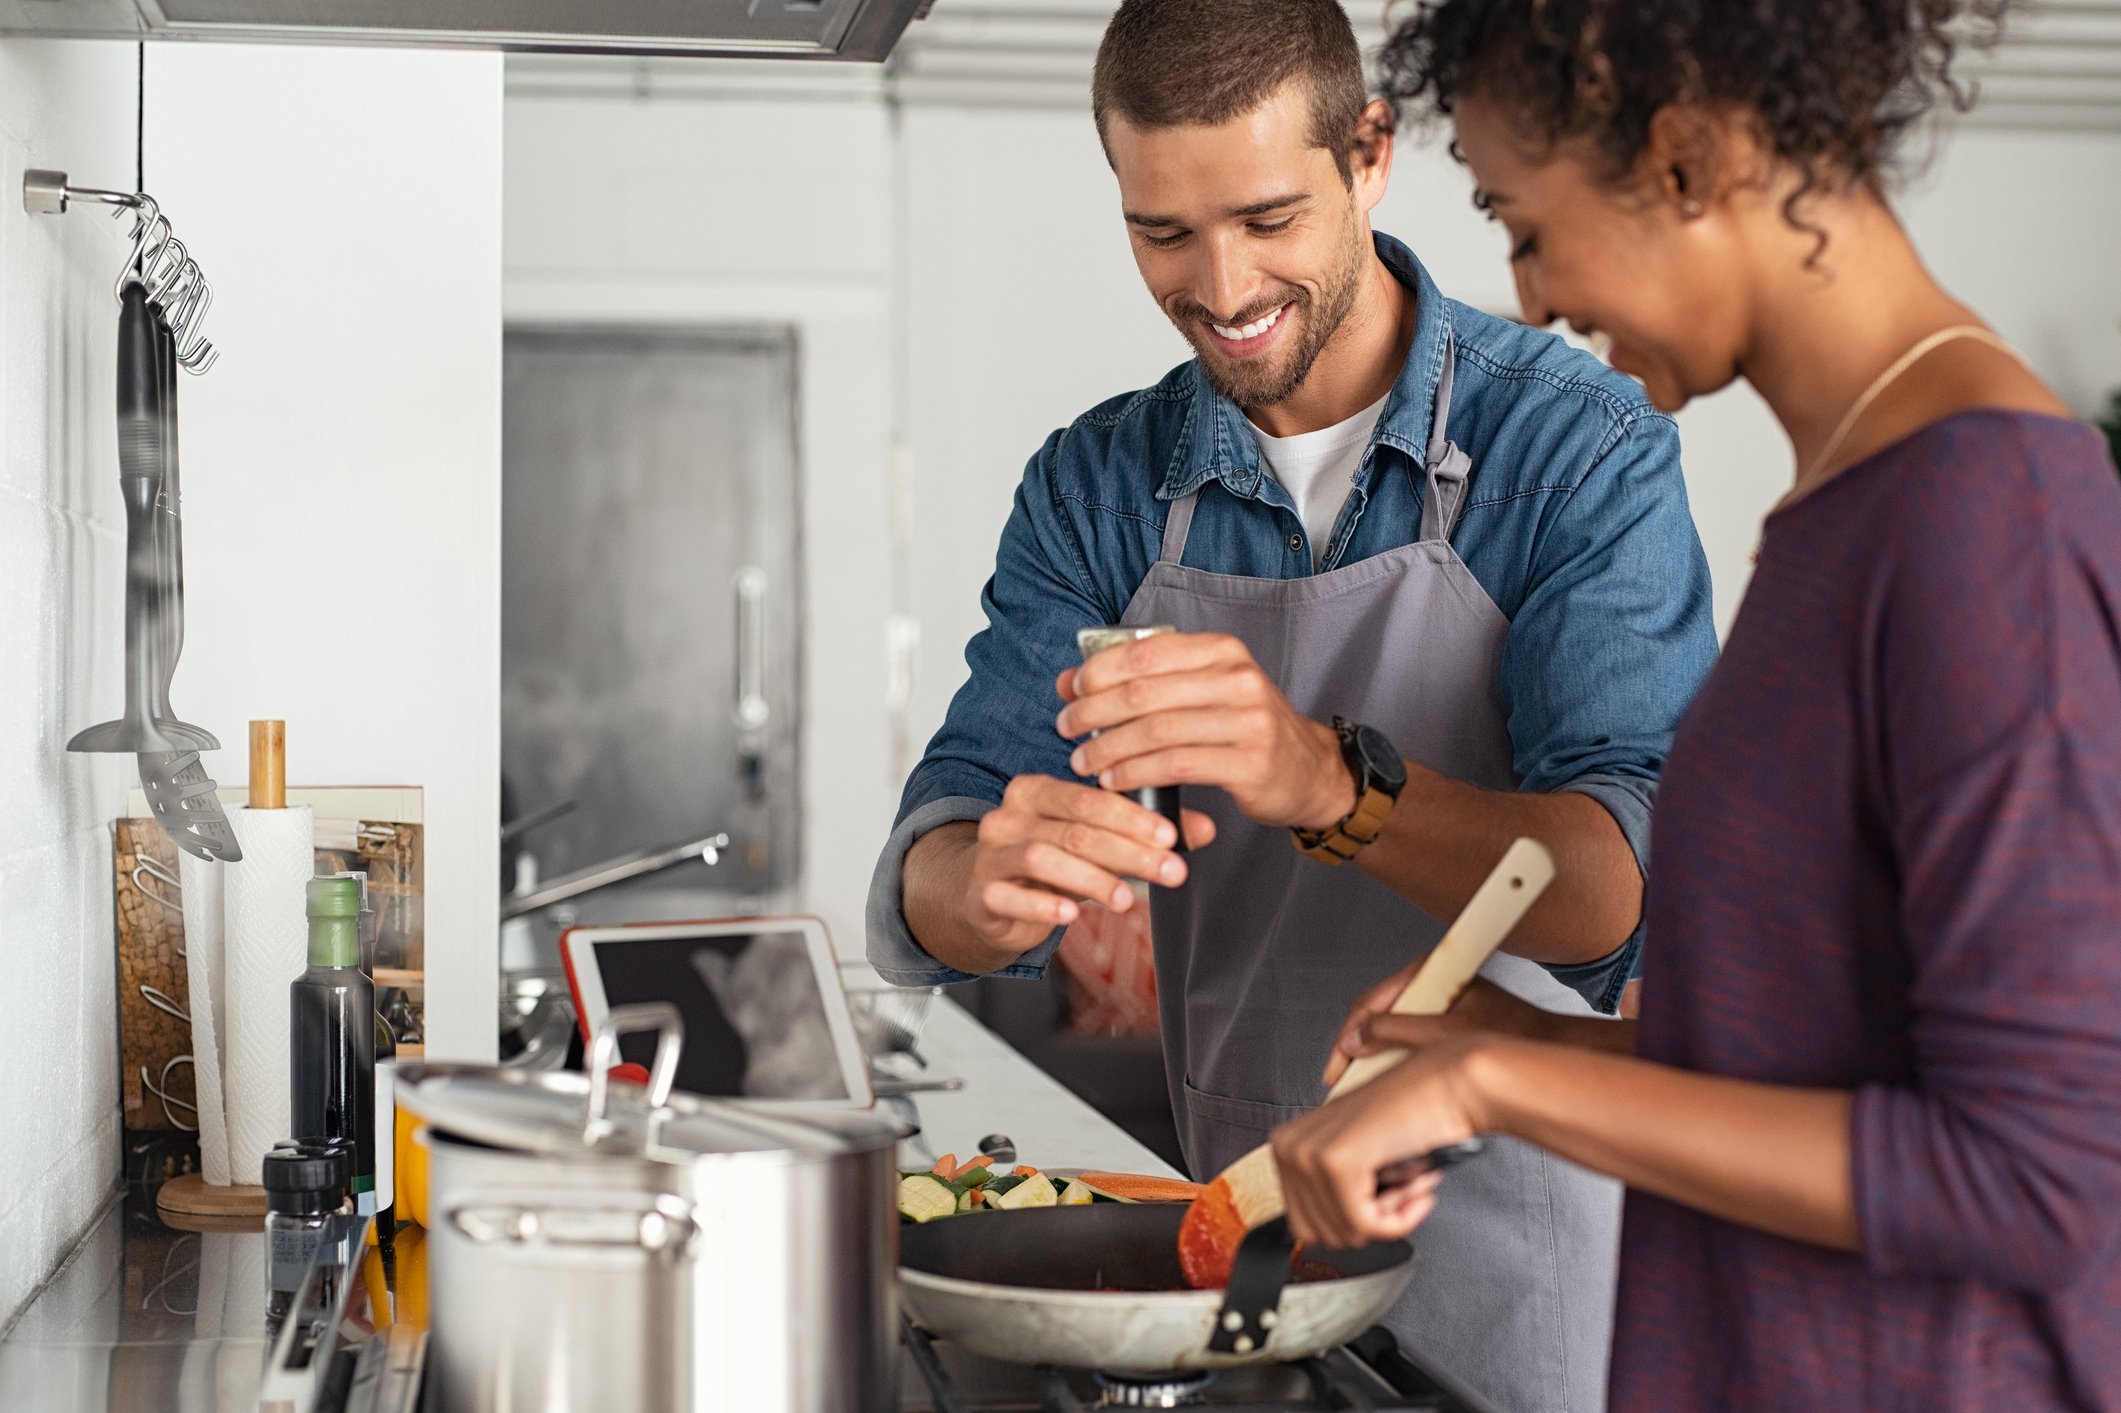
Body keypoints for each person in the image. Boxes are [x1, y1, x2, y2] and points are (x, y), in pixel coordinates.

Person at [1269, 1, 2121, 1407]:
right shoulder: (1848, 507)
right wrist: (1525, 1036)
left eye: (1523, 224)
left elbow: (2037, 1174)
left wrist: (1498, 1092)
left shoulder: (1988, 523)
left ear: (1679, 162)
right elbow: (1829, 1054)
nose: (1526, 296)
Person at [866, 2, 1718, 1405]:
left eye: (1266, 217)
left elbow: (1623, 889)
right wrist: (986, 879)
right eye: (1162, 233)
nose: (1220, 284)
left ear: (1368, 153)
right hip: (1245, 1254)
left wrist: (1326, 779)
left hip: (1532, 1268)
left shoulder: (1574, 446)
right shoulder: (1097, 486)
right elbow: (926, 877)